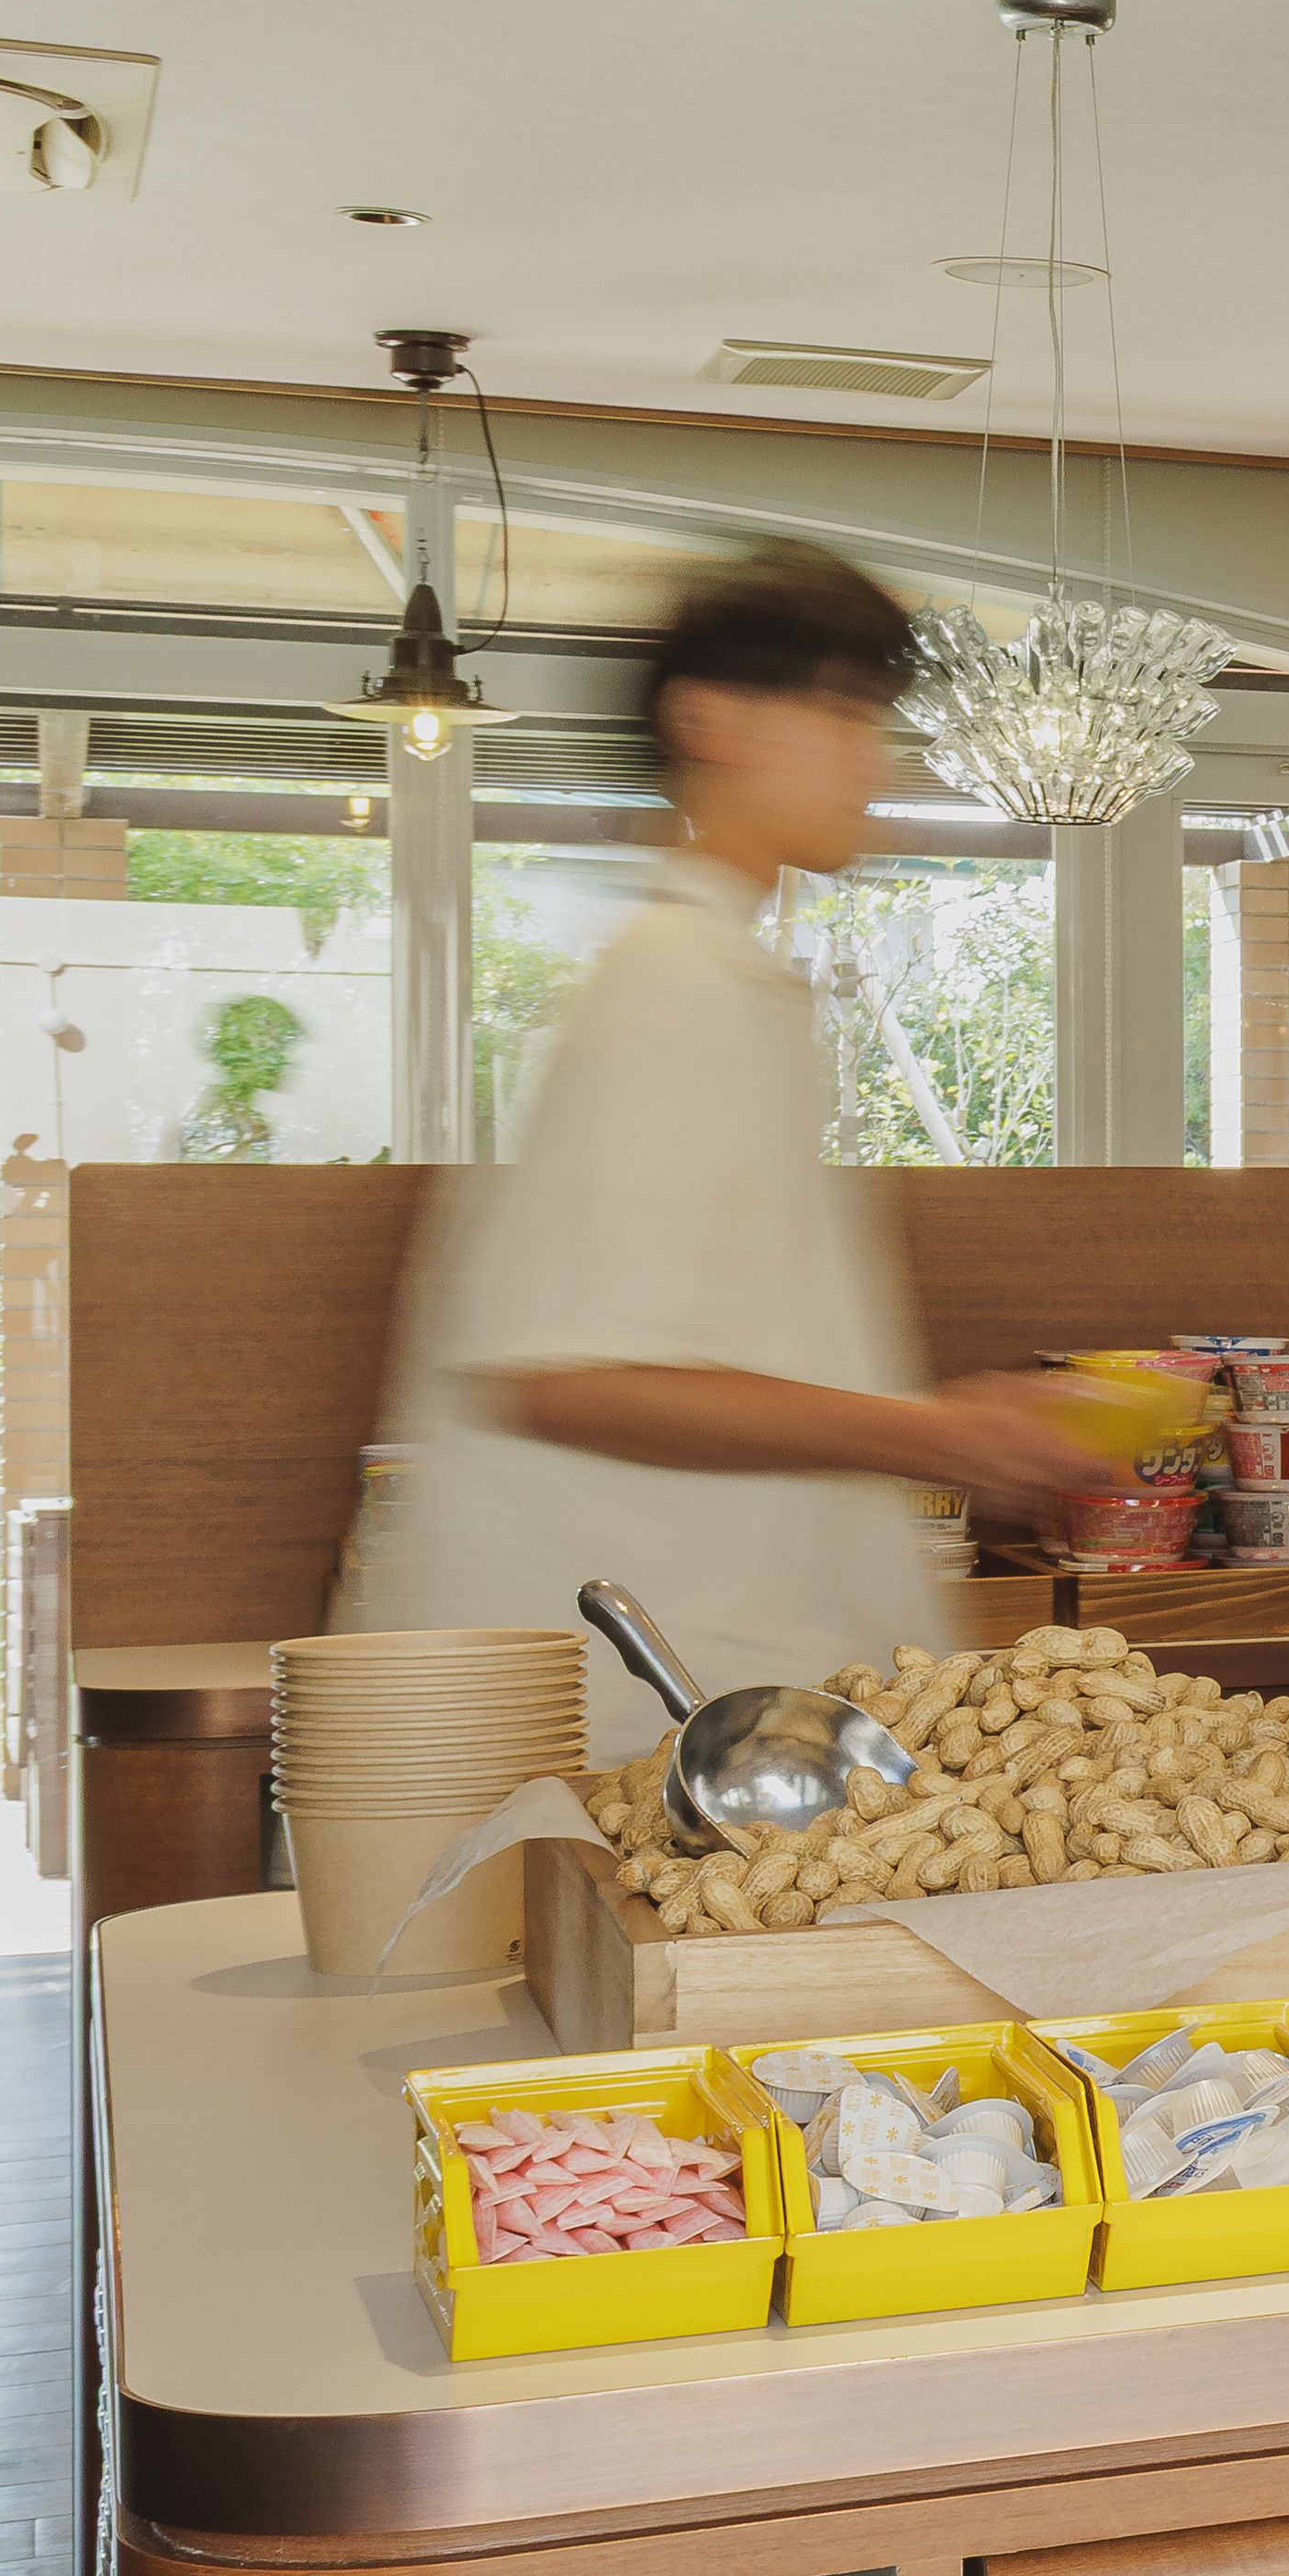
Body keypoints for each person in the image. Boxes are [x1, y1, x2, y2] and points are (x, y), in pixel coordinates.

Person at [347, 551, 1118, 1748]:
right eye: (844, 711)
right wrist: (936, 1434)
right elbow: (567, 1373)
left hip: (699, 1692)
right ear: (706, 718)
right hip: (596, 1716)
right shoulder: (667, 987)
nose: (878, 758)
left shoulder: (722, 978)